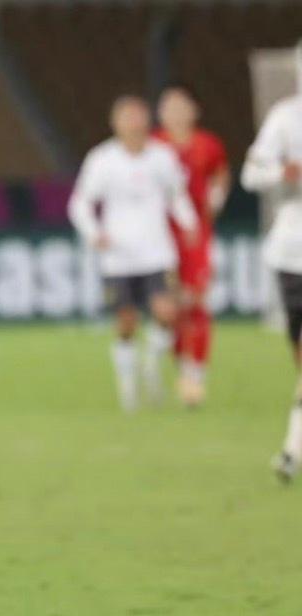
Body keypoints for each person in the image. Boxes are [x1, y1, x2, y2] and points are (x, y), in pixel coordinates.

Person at [69, 95, 199, 412]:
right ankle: (128, 386)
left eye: (137, 117)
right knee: (126, 323)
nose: (133, 124)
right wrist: (94, 233)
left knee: (166, 313)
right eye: (126, 118)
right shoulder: (102, 159)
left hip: (157, 253)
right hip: (118, 258)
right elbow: (80, 204)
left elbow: (177, 195)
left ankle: (151, 362)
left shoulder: (162, 157)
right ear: (115, 123)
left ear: (147, 121)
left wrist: (189, 222)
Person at [242, 40, 302, 484]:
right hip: (292, 252)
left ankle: (291, 451)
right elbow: (251, 174)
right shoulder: (285, 118)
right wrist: (282, 173)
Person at [154, 85, 230, 408]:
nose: (175, 113)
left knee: (197, 300)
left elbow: (221, 174)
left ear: (194, 111)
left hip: (196, 233)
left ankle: (195, 375)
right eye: (169, 107)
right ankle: (175, 362)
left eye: (181, 106)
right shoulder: (155, 146)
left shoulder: (207, 144)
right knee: (172, 306)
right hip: (160, 234)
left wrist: (216, 198)